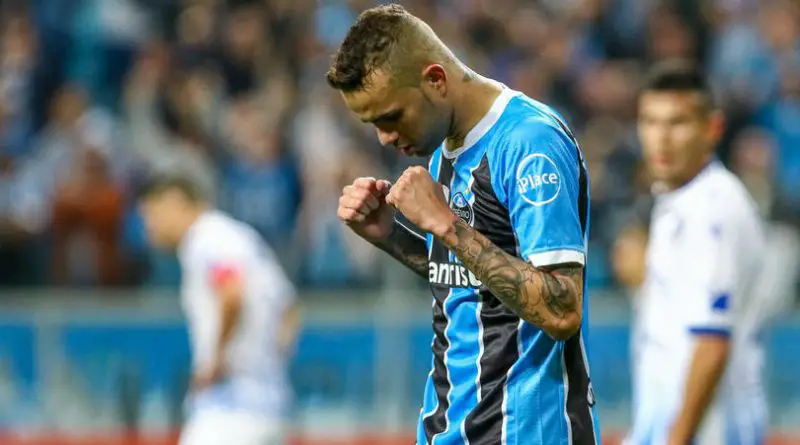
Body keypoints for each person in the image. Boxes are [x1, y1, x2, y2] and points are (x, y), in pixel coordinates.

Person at [328, 5, 598, 445]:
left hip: (526, 429)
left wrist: (447, 225)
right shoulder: (443, 148)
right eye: (372, 124)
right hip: (449, 425)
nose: (385, 137)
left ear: (435, 80)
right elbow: (471, 284)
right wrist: (391, 235)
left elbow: (562, 308)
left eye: (391, 117)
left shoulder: (529, 142)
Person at [623, 61, 768, 445]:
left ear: (712, 128)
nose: (661, 138)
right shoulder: (678, 199)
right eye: (650, 122)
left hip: (710, 430)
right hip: (673, 422)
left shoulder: (712, 210)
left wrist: (676, 438)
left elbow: (712, 342)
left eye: (678, 122)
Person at [138, 174, 300, 445]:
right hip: (270, 405)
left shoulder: (206, 238)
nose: (148, 227)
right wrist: (267, 361)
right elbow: (289, 311)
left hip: (230, 409)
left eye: (151, 215)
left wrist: (217, 360)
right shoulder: (243, 238)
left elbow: (232, 294)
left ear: (175, 203)